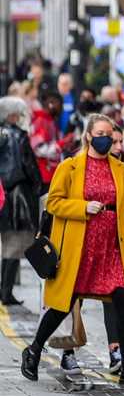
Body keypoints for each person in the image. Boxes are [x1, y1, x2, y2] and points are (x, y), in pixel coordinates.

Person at [20, 115, 124, 384]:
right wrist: (82, 207)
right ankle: (33, 351)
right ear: (89, 135)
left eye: (110, 135)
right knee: (64, 304)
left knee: (123, 301)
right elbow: (53, 203)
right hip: (80, 247)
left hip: (112, 248)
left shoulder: (121, 169)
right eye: (100, 133)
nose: (105, 139)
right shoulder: (70, 167)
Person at [0, 97, 41, 305]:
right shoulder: (18, 136)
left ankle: (4, 291)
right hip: (17, 196)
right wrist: (38, 186)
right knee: (15, 245)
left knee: (8, 243)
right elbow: (29, 167)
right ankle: (6, 292)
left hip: (3, 195)